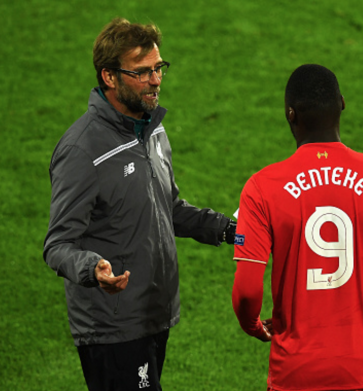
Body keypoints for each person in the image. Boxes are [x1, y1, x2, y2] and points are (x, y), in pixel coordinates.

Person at [43, 17, 236, 391]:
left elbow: (169, 208)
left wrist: (227, 229)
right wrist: (92, 267)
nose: (156, 79)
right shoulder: (83, 150)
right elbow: (57, 246)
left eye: (158, 68)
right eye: (142, 72)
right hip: (113, 325)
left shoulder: (152, 130)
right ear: (109, 77)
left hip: (152, 312)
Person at [231, 64, 363, 391]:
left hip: (295, 374)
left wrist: (253, 325)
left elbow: (248, 291)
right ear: (342, 105)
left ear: (291, 115)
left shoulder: (261, 188)